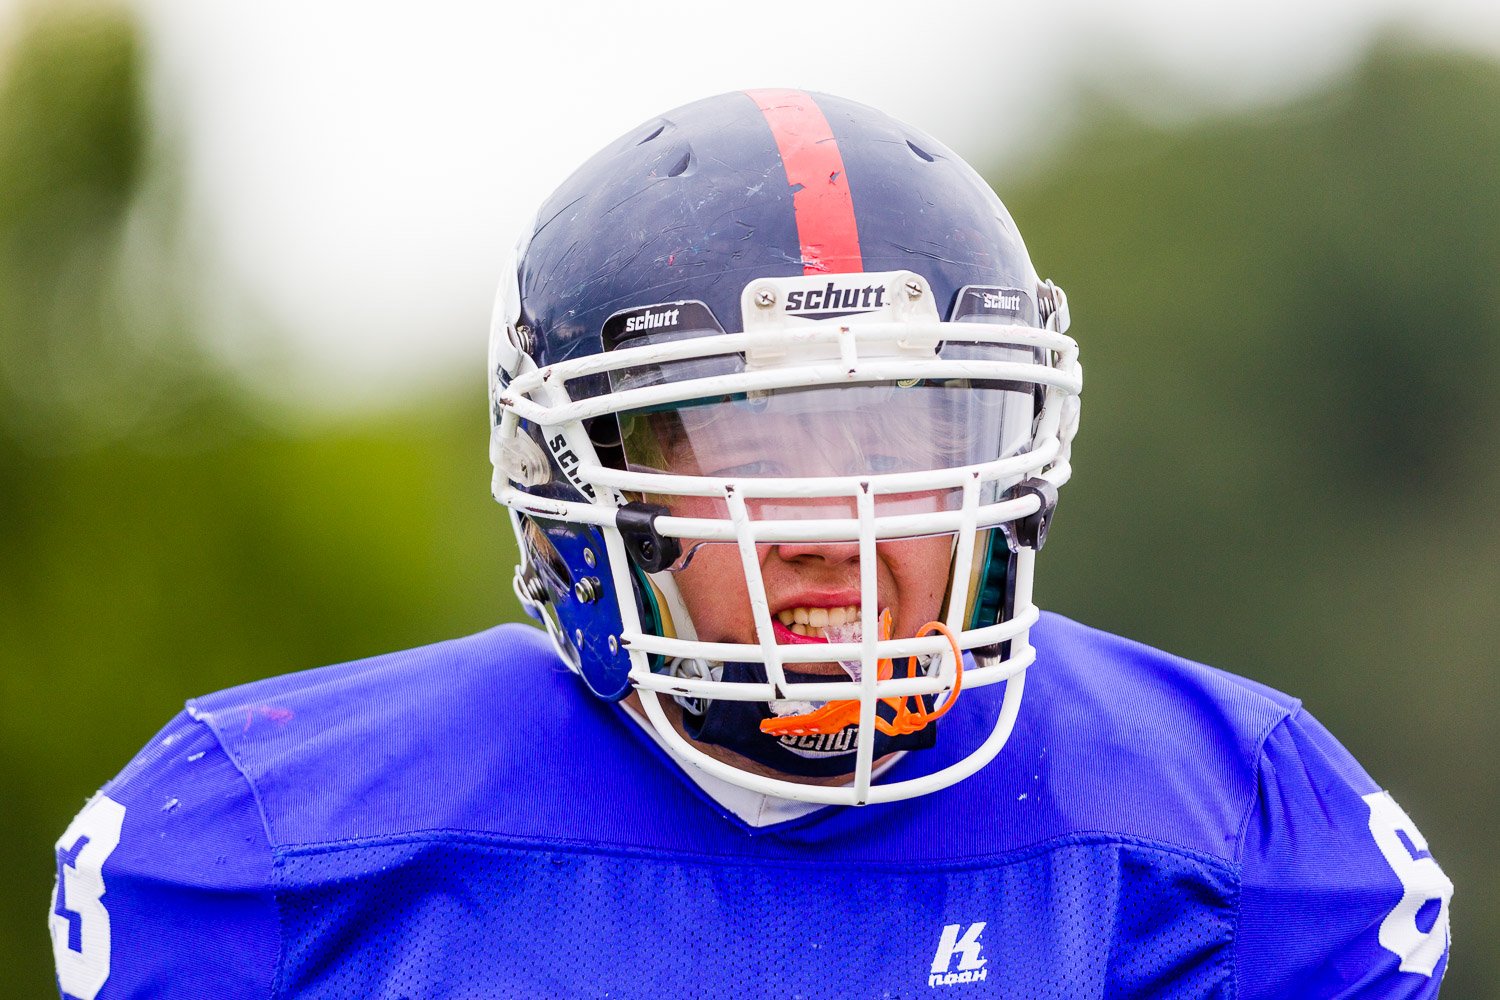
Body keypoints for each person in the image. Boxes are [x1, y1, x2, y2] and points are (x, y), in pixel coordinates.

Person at [49, 89, 1452, 999]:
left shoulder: (1229, 831)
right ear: (571, 490)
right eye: (750, 449)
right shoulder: (279, 845)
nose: (833, 527)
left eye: (897, 441)